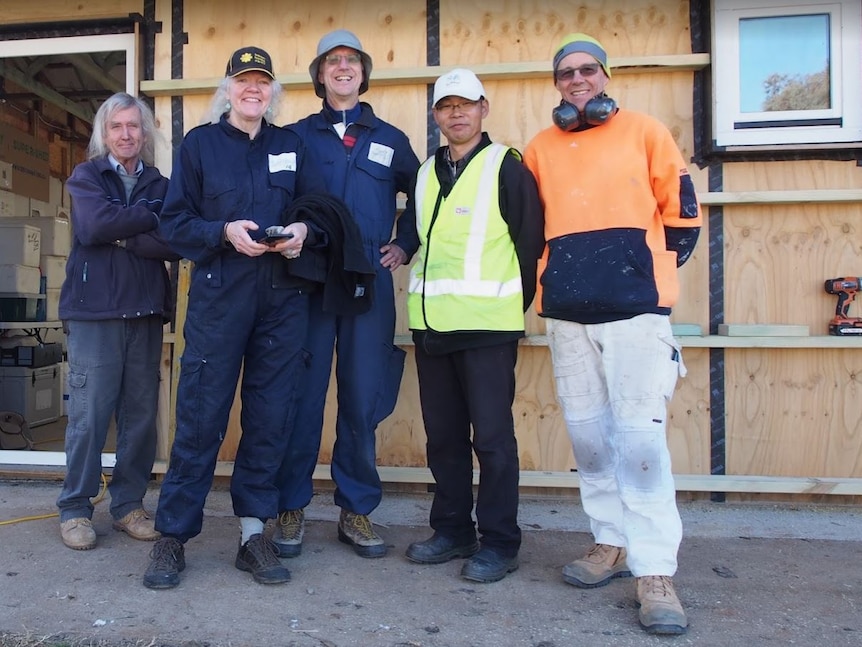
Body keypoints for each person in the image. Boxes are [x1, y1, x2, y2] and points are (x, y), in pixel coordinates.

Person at [523, 33, 702, 634]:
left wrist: (636, 276)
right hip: (568, 315)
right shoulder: (541, 148)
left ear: (604, 76)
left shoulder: (646, 131)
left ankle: (655, 572)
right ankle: (610, 542)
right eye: (566, 73)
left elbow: (681, 216)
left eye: (587, 70)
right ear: (557, 85)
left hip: (635, 314)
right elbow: (529, 228)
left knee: (641, 445)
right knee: (591, 441)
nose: (577, 80)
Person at [142, 46, 325, 589]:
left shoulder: (290, 145)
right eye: (243, 80)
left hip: (281, 303)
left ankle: (253, 536)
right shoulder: (199, 146)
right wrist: (222, 233)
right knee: (199, 418)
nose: (253, 90)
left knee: (270, 419)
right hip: (220, 301)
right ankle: (172, 537)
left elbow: (315, 211)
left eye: (262, 82)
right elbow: (174, 224)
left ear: (272, 91)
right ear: (228, 87)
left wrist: (302, 236)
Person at [273, 29, 420, 559]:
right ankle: (290, 507)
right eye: (332, 61)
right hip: (310, 281)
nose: (341, 68)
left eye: (350, 61)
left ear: (362, 72)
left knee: (362, 397)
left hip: (368, 285)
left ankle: (356, 510)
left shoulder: (390, 138)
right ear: (319, 74)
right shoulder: (295, 137)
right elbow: (276, 199)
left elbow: (422, 196)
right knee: (302, 396)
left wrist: (404, 243)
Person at [404, 69, 544, 583]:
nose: (456, 114)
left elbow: (530, 245)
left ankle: (500, 542)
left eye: (466, 104)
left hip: (487, 329)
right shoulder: (425, 172)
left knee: (492, 440)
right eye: (446, 106)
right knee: (442, 438)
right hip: (432, 327)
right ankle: (453, 530)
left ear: (483, 108)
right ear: (437, 115)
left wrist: (509, 310)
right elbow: (420, 236)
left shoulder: (505, 167)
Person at [56, 92, 180, 551]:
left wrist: (126, 235)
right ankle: (74, 509)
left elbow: (173, 241)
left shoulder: (162, 183)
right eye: (117, 127)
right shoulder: (87, 175)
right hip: (94, 315)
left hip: (145, 313)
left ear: (144, 133)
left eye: (133, 126)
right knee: (88, 419)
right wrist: (146, 220)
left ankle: (128, 505)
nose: (126, 134)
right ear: (103, 134)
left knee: (141, 419)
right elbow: (91, 227)